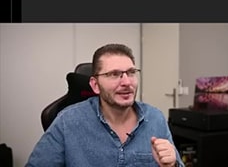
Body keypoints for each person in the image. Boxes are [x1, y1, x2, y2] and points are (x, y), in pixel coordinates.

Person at [25, 44, 184, 167]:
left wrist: (172, 165)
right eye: (114, 74)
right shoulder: (68, 121)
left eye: (131, 72)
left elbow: (174, 163)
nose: (127, 82)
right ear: (95, 85)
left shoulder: (155, 118)